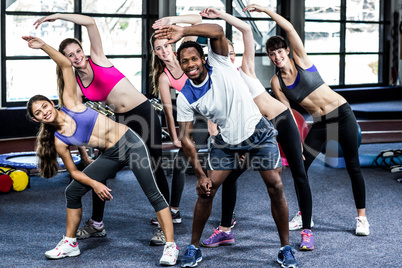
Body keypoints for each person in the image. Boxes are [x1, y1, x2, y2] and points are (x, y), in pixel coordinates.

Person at [22, 35, 178, 265]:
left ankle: (171, 246)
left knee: (153, 193)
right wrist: (95, 183)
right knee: (72, 191)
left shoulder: (70, 103)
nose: (44, 112)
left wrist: (43, 46)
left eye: (44, 105)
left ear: (51, 103)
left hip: (130, 142)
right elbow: (75, 173)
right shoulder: (59, 141)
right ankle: (70, 243)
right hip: (112, 154)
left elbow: (65, 64)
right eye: (38, 112)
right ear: (37, 120)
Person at [155, 23, 298, 268]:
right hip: (227, 142)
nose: (190, 65)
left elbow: (218, 30)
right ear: (180, 63)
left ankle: (285, 248)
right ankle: (193, 247)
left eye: (194, 59)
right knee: (207, 190)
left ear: (203, 57)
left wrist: (184, 31)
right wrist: (200, 175)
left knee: (275, 186)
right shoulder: (187, 95)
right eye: (185, 61)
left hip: (258, 133)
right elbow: (186, 139)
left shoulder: (219, 62)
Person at [243, 3, 370, 236]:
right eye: (272, 54)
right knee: (300, 168)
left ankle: (361, 217)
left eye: (280, 51)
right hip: (321, 124)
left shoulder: (301, 60)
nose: (276, 56)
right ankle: (305, 213)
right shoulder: (276, 83)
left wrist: (265, 11)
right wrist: (295, 143)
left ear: (287, 51)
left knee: (353, 166)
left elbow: (289, 28)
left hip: (341, 114)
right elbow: (287, 114)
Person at [199, 8, 314, 251]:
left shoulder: (245, 69)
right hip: (255, 133)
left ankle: (306, 230)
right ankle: (225, 230)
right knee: (229, 175)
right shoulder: (219, 83)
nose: (229, 58)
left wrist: (220, 14)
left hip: (280, 121)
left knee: (299, 173)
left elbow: (246, 29)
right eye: (225, 54)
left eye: (232, 53)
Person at [150, 14, 238, 231]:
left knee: (224, 164)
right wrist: (175, 136)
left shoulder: (189, 55)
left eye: (166, 46)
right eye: (158, 49)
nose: (164, 51)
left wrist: (173, 21)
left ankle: (229, 214)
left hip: (214, 115)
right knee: (181, 162)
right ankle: (174, 209)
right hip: (189, 118)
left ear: (172, 45)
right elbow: (169, 111)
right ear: (155, 53)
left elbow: (198, 22)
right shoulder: (165, 76)